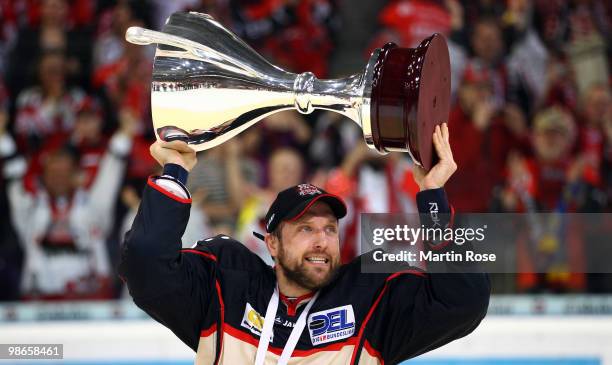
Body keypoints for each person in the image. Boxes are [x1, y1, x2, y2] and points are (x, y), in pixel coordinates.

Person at [119, 123, 490, 364]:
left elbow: (464, 301)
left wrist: (433, 197)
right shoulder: (225, 285)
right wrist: (175, 172)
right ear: (273, 244)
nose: (321, 241)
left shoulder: (372, 297)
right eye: (305, 229)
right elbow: (144, 266)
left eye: (329, 229)